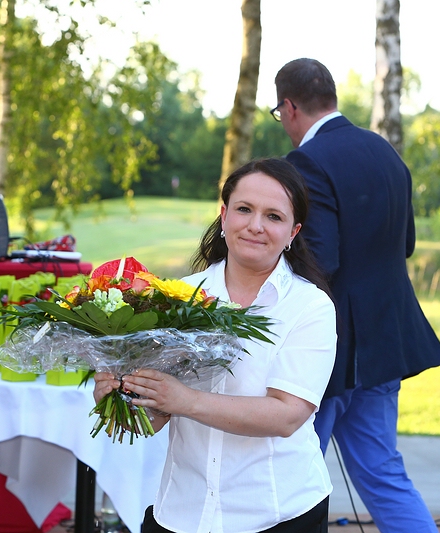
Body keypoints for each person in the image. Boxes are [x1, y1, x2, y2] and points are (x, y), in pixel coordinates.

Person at [93, 158, 338, 533]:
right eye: (244, 209)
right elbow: (152, 420)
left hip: (277, 516)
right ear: (224, 216)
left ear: (293, 232)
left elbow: (287, 415)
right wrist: (117, 401)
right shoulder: (177, 298)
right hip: (181, 513)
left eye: (273, 216)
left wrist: (185, 400)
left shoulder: (310, 306)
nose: (255, 225)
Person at [273, 58, 440, 533]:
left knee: (292, 473)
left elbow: (320, 260)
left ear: (289, 107)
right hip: (385, 343)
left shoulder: (305, 162)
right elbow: (406, 243)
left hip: (330, 348)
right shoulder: (384, 151)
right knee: (383, 473)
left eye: (279, 114)